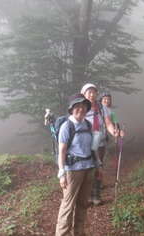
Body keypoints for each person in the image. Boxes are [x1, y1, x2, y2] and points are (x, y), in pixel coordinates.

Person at [55, 93, 94, 236]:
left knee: (83, 204)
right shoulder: (67, 126)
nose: (81, 109)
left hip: (88, 168)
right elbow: (62, 151)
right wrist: (61, 173)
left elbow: (92, 148)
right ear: (71, 109)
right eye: (77, 106)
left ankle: (79, 232)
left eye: (83, 106)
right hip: (72, 170)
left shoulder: (88, 124)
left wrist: (98, 166)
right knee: (68, 206)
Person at [80, 83, 124, 205]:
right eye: (89, 92)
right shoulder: (80, 106)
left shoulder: (101, 108)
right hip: (85, 144)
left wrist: (114, 132)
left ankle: (96, 195)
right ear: (83, 94)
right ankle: (86, 195)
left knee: (98, 168)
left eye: (94, 92)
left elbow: (108, 123)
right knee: (86, 169)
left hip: (100, 143)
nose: (92, 94)